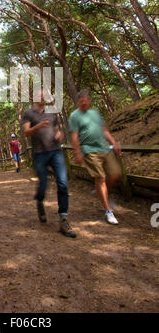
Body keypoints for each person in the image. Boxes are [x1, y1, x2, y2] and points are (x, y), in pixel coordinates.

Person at [22, 89, 76, 238]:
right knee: (43, 184)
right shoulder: (28, 113)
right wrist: (37, 127)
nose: (43, 97)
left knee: (63, 183)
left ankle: (63, 219)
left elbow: (57, 129)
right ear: (33, 97)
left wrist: (59, 134)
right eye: (40, 95)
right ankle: (39, 201)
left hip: (55, 151)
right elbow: (26, 133)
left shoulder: (52, 112)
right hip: (39, 154)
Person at [69, 90, 122, 225]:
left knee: (115, 173)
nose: (84, 102)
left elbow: (104, 130)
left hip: (103, 147)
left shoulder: (95, 113)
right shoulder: (74, 116)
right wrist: (77, 152)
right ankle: (107, 210)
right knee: (101, 178)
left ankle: (102, 193)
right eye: (81, 100)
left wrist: (113, 142)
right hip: (89, 150)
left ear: (89, 100)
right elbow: (74, 136)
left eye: (86, 99)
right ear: (78, 101)